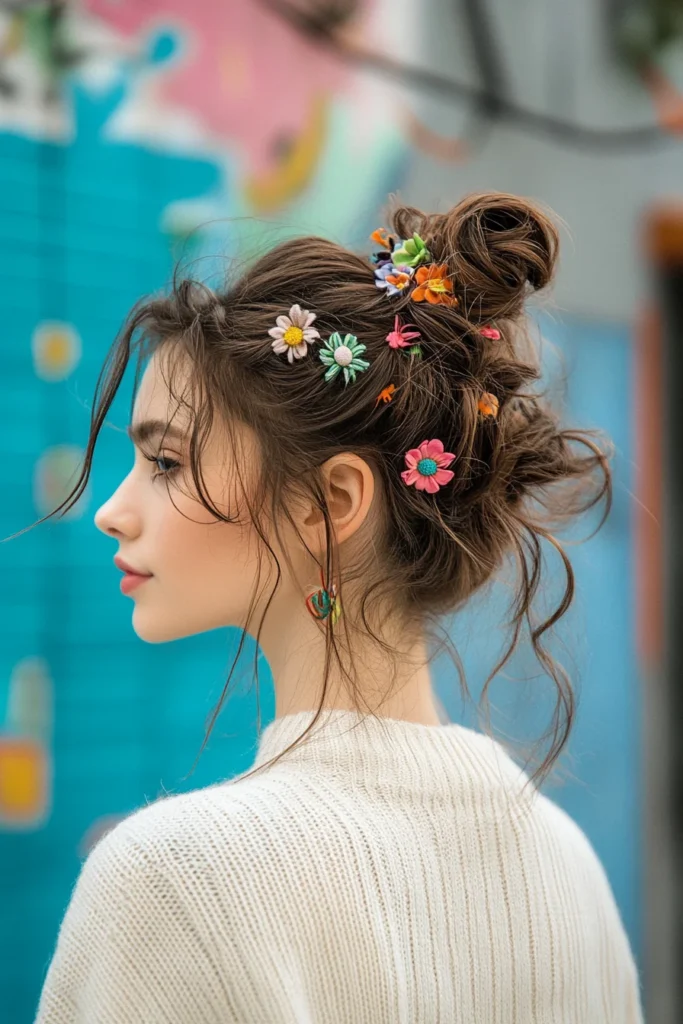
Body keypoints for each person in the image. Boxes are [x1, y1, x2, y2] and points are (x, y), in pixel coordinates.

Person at [32, 192, 644, 1022]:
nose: (112, 509)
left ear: (330, 504)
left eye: (167, 463)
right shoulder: (566, 868)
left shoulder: (171, 884)